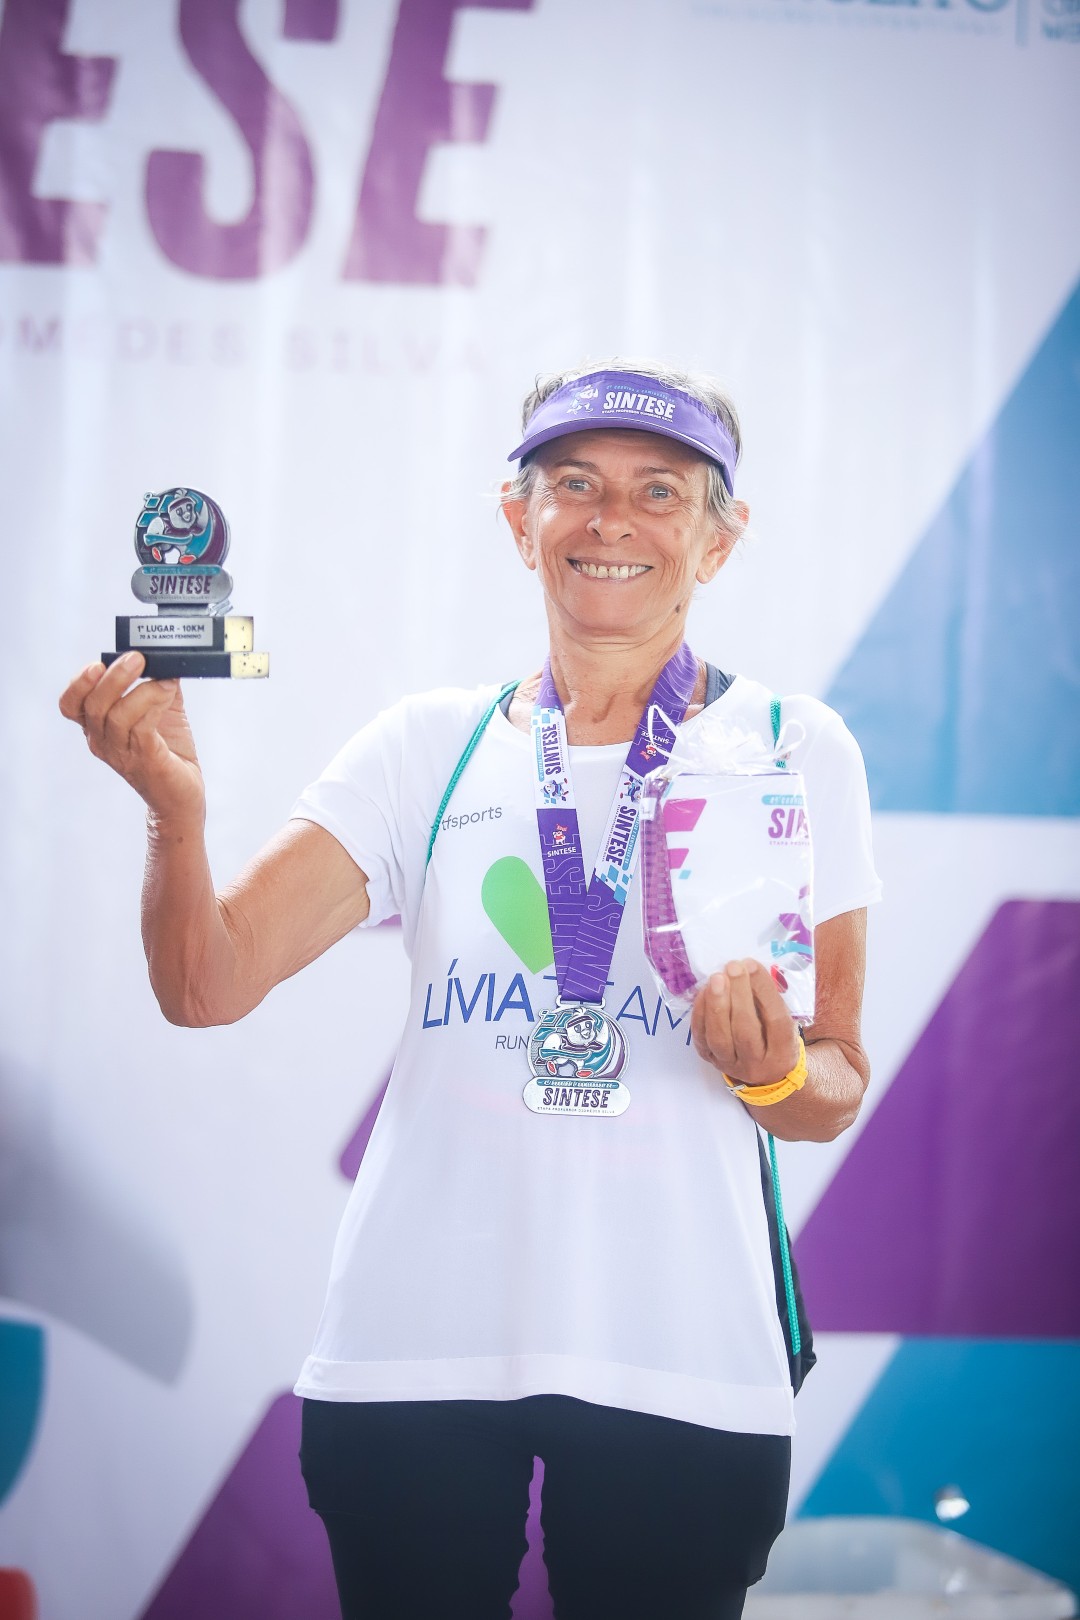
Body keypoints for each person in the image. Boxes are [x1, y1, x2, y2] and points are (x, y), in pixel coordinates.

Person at [60, 360, 881, 1620]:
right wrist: (177, 815)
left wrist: (772, 1073)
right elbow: (204, 983)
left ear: (720, 539)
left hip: (682, 1357)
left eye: (661, 492)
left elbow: (835, 1082)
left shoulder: (791, 747)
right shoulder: (423, 748)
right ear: (519, 518)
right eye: (574, 484)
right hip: (414, 1353)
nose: (612, 519)